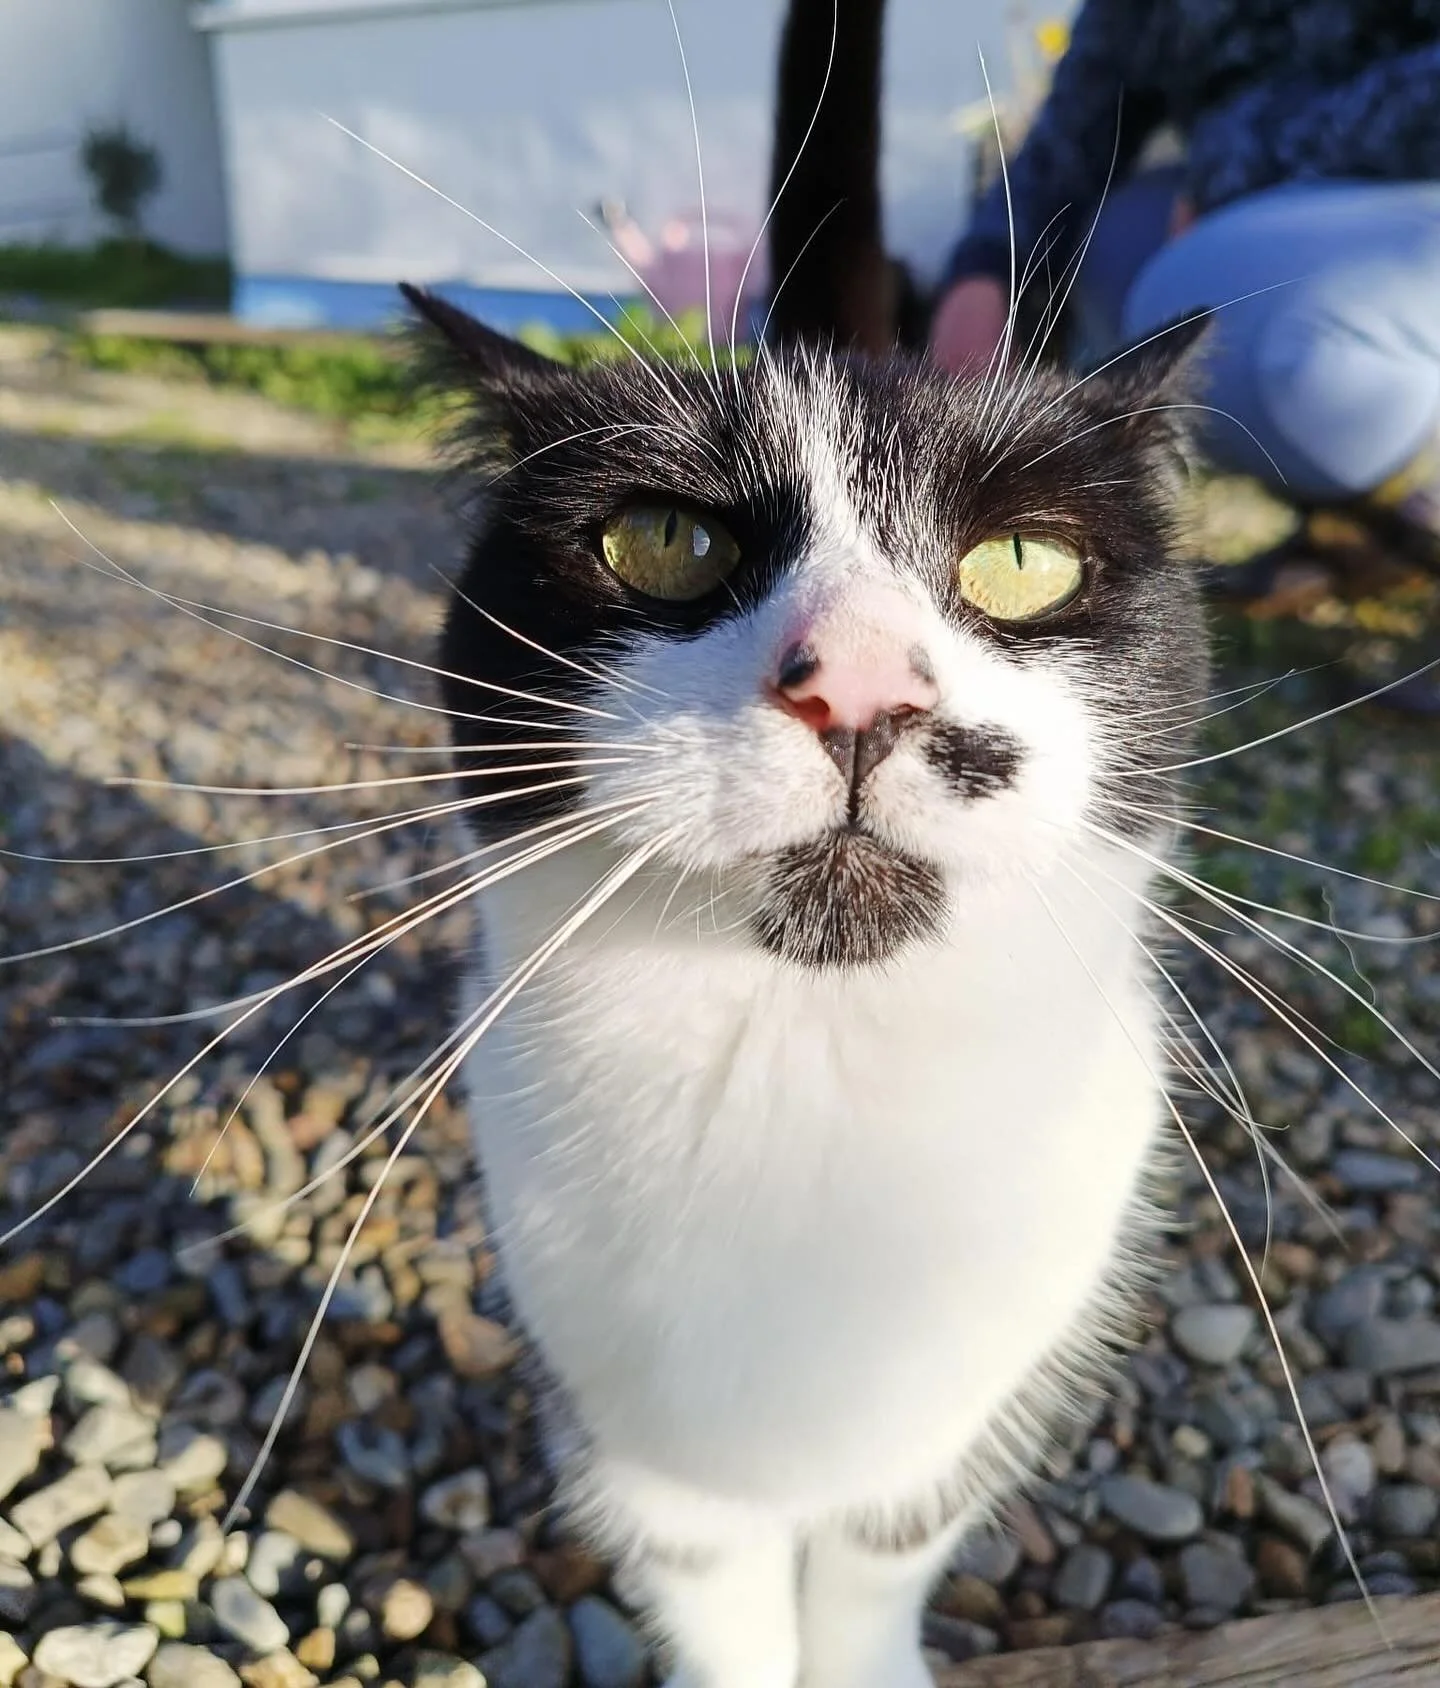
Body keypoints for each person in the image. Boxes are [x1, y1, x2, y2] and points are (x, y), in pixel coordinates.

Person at [931, 0, 1440, 584]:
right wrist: (985, 268)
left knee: (1192, 301)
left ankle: (1417, 489)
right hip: (1266, 201)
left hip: (1408, 188)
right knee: (1107, 250)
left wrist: (1238, 167)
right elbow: (1077, 129)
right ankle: (1353, 521)